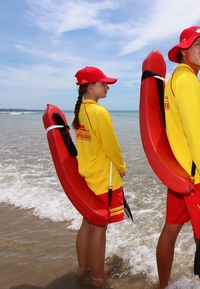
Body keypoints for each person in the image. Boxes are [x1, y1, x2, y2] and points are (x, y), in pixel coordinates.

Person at [156, 26, 200, 289]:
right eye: (198, 44)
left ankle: (161, 285)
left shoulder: (176, 78)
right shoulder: (186, 80)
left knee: (170, 230)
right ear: (183, 50)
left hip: (179, 172)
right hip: (193, 177)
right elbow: (195, 135)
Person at [72, 66, 127, 287]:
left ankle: (82, 268)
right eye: (103, 84)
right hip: (104, 178)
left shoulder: (81, 111)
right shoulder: (99, 112)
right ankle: (97, 276)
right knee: (99, 227)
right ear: (90, 86)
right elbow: (111, 146)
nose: (107, 87)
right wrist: (122, 166)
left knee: (87, 223)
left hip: (87, 176)